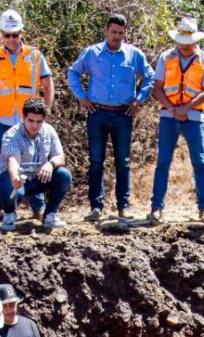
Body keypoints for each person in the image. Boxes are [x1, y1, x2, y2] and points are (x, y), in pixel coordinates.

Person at [67, 13, 154, 223]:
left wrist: (139, 100)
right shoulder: (92, 53)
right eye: (113, 32)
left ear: (126, 33)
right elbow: (73, 72)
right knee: (96, 161)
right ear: (106, 30)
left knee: (123, 162)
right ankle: (96, 207)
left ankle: (123, 207)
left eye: (121, 33)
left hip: (123, 114)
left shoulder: (134, 55)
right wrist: (81, 97)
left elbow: (150, 77)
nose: (117, 36)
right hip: (97, 113)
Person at [0, 9, 53, 221]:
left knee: (37, 162)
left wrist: (45, 111)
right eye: (7, 35)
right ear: (1, 34)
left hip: (31, 122)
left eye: (15, 34)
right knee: (6, 165)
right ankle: (5, 206)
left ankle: (38, 208)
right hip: (4, 121)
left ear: (21, 32)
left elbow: (48, 84)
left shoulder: (35, 56)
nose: (11, 39)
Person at [147, 18, 204, 225]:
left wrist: (186, 108)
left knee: (199, 162)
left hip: (193, 117)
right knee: (163, 162)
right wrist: (172, 108)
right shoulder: (165, 57)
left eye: (188, 44)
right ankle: (156, 208)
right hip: (168, 116)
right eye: (181, 43)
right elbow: (156, 88)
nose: (185, 48)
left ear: (195, 41)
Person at [0, 97, 71, 231]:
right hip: (14, 178)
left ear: (44, 119)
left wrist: (50, 164)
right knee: (15, 190)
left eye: (39, 121)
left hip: (37, 178)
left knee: (64, 175)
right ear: (23, 117)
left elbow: (60, 157)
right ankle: (9, 214)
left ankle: (50, 216)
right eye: (31, 120)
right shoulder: (11, 134)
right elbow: (12, 160)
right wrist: (15, 178)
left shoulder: (49, 131)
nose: (35, 125)